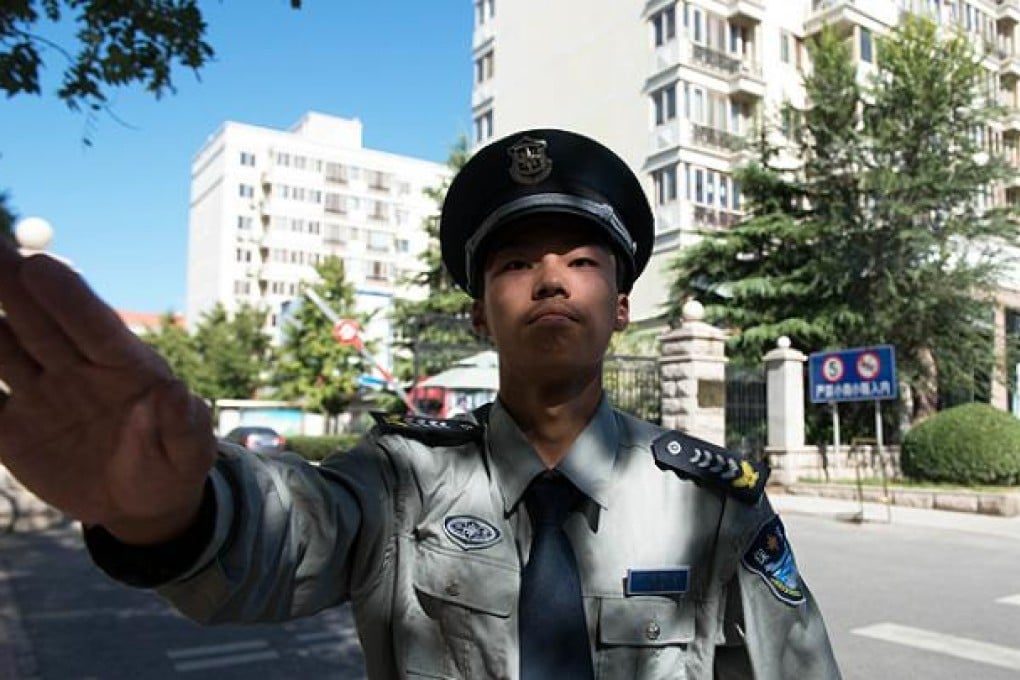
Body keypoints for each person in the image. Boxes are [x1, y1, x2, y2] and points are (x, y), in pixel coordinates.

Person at [0, 128, 841, 679]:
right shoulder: (400, 481)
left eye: (582, 260)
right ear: (480, 312)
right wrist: (170, 513)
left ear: (622, 306)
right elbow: (281, 532)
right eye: (515, 264)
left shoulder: (712, 503)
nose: (550, 277)